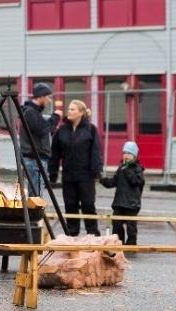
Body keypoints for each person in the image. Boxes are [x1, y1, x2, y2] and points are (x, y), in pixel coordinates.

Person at [49, 100, 102, 236]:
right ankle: (72, 233)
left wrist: (97, 170)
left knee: (88, 204)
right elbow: (55, 153)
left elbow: (96, 151)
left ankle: (92, 233)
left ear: (81, 113)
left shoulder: (91, 129)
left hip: (86, 175)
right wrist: (53, 172)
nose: (69, 111)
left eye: (73, 109)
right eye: (69, 109)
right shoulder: (62, 130)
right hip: (69, 175)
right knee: (70, 205)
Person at [21, 83, 62, 197]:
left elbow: (44, 130)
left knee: (36, 193)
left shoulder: (34, 113)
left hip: (36, 159)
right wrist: (55, 117)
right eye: (48, 97)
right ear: (42, 96)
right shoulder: (30, 112)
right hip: (34, 159)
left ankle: (34, 213)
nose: (49, 101)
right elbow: (42, 129)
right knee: (35, 196)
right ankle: (34, 214)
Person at [100, 141, 145, 245]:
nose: (126, 155)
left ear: (134, 155)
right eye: (124, 153)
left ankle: (131, 245)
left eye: (129, 153)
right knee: (116, 224)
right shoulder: (121, 168)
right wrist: (102, 180)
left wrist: (127, 170)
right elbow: (113, 182)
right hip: (119, 202)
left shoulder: (138, 169)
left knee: (131, 227)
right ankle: (118, 243)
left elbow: (136, 182)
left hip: (132, 203)